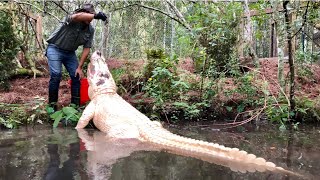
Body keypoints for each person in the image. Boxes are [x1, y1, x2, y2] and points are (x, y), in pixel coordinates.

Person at [46, 4, 107, 110]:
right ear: (83, 13)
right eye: (89, 15)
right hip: (55, 48)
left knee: (76, 76)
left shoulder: (90, 30)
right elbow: (77, 17)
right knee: (56, 74)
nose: (91, 18)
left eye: (92, 15)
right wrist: (96, 15)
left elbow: (86, 48)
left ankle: (75, 106)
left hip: (70, 53)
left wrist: (79, 67)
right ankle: (52, 106)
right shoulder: (72, 19)